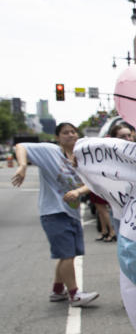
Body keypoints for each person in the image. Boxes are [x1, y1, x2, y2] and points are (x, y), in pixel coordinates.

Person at [12, 122, 99, 307]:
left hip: (72, 212)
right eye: (65, 133)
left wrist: (78, 192)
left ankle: (58, 290)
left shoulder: (82, 158)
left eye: (73, 132)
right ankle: (75, 295)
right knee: (67, 255)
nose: (70, 135)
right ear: (58, 138)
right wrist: (22, 166)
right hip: (53, 212)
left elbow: (92, 182)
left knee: (69, 254)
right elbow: (20, 146)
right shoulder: (50, 151)